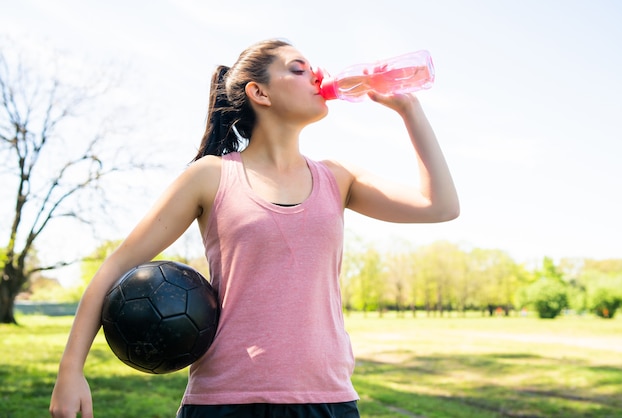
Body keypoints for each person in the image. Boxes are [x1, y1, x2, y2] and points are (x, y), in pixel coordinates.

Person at [49, 38, 459, 418]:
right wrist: (70, 370)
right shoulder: (209, 177)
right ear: (260, 93)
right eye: (298, 69)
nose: (317, 76)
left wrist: (409, 110)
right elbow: (116, 266)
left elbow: (440, 206)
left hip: (328, 400)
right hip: (225, 401)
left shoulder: (339, 177)